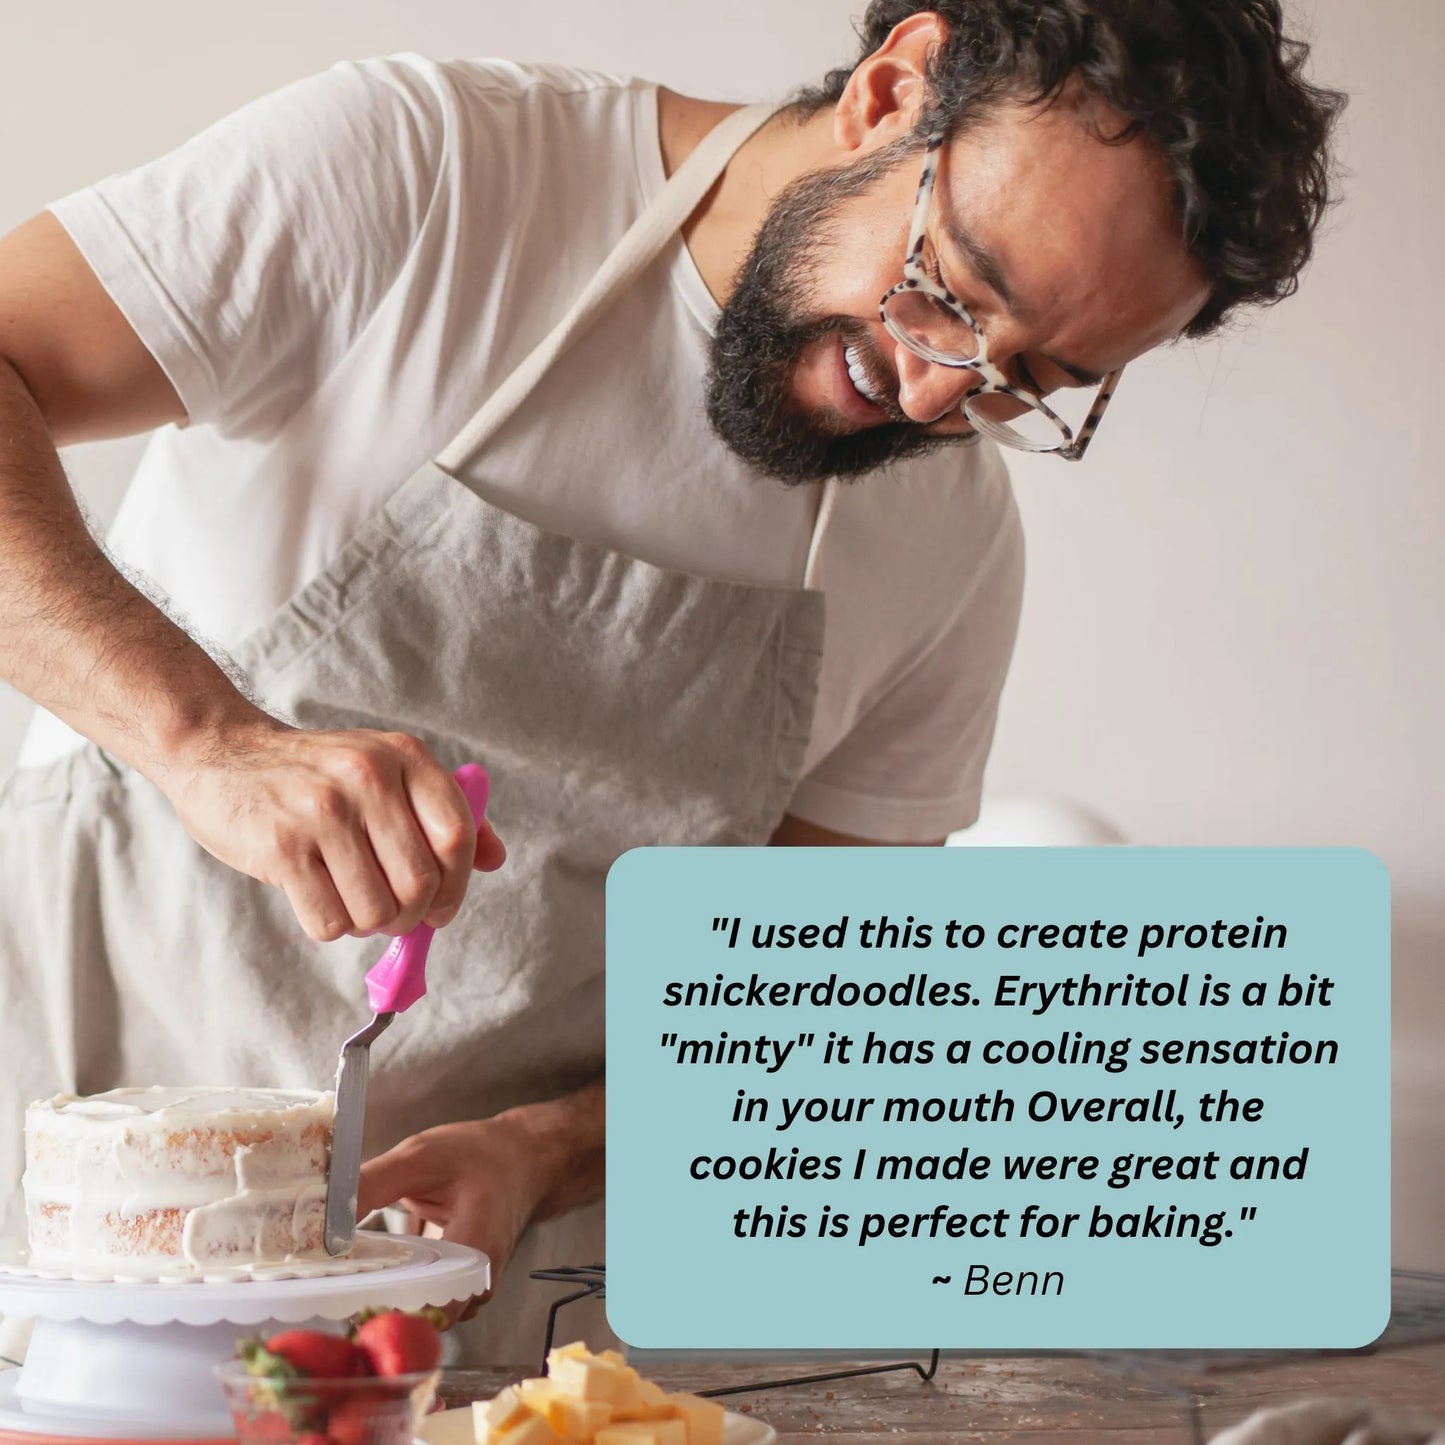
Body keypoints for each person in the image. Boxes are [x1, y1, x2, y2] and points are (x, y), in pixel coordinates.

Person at [0, 0, 1342, 1358]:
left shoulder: (948, 552)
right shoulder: (437, 175)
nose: (938, 394)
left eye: (1028, 379)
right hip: (53, 1233)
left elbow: (789, 1016)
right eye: (949, 290)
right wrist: (204, 739)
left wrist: (545, 1147)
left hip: (472, 1325)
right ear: (892, 88)